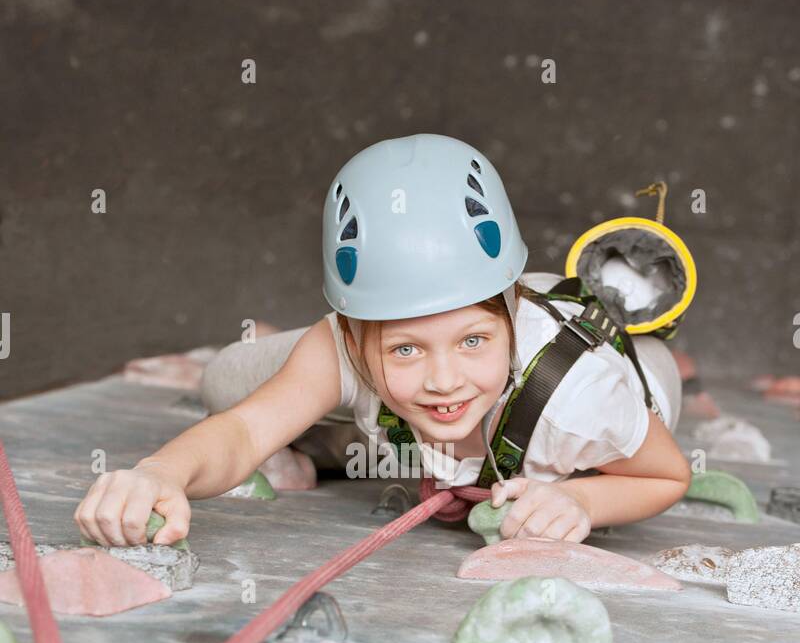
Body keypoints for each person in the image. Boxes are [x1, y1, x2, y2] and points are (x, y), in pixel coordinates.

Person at [74, 134, 690, 550]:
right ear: (349, 329)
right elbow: (241, 430)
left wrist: (582, 498)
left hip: (605, 376)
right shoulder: (349, 338)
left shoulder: (583, 396)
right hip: (409, 394)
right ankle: (335, 406)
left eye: (473, 340)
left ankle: (352, 420)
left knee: (656, 383)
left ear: (512, 309)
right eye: (405, 348)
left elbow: (666, 477)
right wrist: (158, 473)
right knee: (227, 381)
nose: (444, 378)